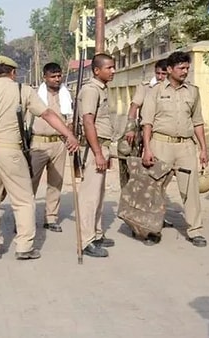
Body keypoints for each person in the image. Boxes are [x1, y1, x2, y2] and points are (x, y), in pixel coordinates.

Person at [0, 56, 79, 260]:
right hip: (12, 151)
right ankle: (24, 246)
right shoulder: (22, 90)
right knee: (23, 200)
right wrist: (68, 135)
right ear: (13, 73)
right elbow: (47, 114)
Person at [141, 51, 209, 248]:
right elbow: (147, 123)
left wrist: (203, 149)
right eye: (181, 68)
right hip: (160, 144)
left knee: (190, 189)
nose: (185, 71)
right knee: (156, 188)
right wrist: (147, 149)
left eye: (187, 68)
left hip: (186, 146)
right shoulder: (155, 91)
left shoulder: (193, 92)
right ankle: (153, 229)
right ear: (169, 69)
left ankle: (195, 230)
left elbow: (197, 122)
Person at [77, 53, 117, 258]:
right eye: (109, 68)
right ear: (96, 70)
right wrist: (98, 153)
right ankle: (86, 241)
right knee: (89, 197)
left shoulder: (102, 89)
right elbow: (88, 122)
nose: (113, 71)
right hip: (95, 148)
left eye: (113, 67)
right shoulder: (92, 90)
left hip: (102, 146)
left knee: (99, 195)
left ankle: (97, 233)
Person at [30, 62, 73, 233]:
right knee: (30, 183)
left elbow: (70, 117)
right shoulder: (34, 96)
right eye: (53, 77)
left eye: (59, 76)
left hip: (59, 144)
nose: (57, 79)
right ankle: (24, 219)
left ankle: (51, 218)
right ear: (45, 77)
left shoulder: (66, 94)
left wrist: (70, 132)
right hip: (38, 144)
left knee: (56, 182)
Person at [120, 59, 169, 187]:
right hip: (143, 128)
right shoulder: (146, 86)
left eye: (163, 74)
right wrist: (130, 128)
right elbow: (134, 107)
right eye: (157, 73)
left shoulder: (172, 89)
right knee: (129, 155)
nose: (160, 77)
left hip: (161, 132)